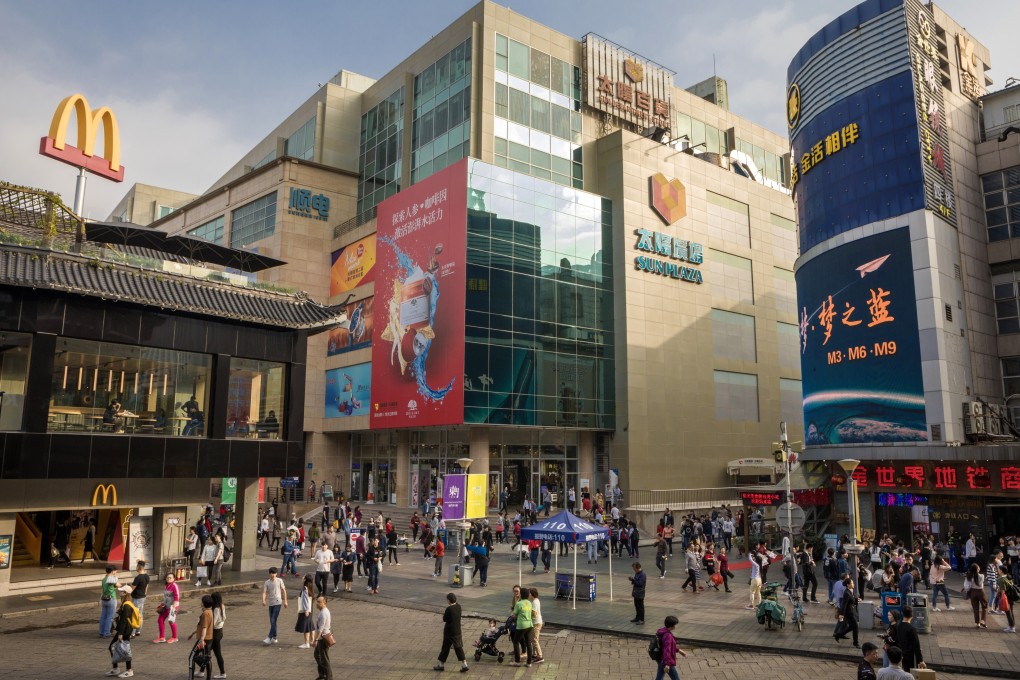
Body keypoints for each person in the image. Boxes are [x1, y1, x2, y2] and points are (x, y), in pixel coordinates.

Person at [434, 592, 470, 672]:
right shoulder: (459, 606)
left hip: (449, 632)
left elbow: (444, 619)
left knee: (445, 648)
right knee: (458, 647)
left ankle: (441, 665)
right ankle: (465, 664)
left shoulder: (449, 609)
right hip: (457, 631)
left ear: (449, 600)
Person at [108, 585, 138, 678]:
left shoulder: (127, 605)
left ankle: (129, 670)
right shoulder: (125, 603)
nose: (119, 592)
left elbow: (124, 620)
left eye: (121, 591)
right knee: (118, 648)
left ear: (125, 593)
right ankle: (116, 668)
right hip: (125, 629)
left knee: (124, 650)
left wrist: (120, 633)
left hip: (125, 630)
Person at [889, 605, 925, 671]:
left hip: (900, 655)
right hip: (909, 657)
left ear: (902, 614)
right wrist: (920, 660)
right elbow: (916, 646)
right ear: (912, 615)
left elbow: (895, 640)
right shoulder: (911, 629)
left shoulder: (898, 626)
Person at [187, 594, 215, 680]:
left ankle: (191, 677)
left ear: (203, 603)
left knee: (191, 657)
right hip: (209, 639)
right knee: (207, 658)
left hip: (204, 640)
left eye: (201, 602)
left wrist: (202, 640)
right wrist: (193, 633)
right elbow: (202, 626)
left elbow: (204, 628)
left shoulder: (205, 614)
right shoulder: (210, 611)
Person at [654, 615, 687, 680]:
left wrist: (679, 650)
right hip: (666, 660)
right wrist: (667, 664)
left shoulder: (662, 631)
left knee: (659, 678)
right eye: (676, 624)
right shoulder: (668, 636)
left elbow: (668, 646)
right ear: (672, 626)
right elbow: (667, 650)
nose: (676, 626)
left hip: (661, 658)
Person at [261, 567, 288, 645]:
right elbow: (264, 592)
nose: (272, 575)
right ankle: (274, 637)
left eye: (274, 573)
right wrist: (263, 600)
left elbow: (283, 591)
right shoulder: (267, 582)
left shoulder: (279, 580)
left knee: (273, 619)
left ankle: (269, 637)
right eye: (271, 573)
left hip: (278, 602)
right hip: (271, 603)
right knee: (272, 621)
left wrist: (285, 601)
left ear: (276, 574)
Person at [152, 573, 180, 644]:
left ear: (174, 579)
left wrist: (173, 607)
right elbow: (165, 597)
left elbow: (177, 597)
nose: (169, 579)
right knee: (160, 620)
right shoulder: (166, 586)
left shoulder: (174, 586)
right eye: (167, 577)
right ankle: (162, 637)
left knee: (171, 621)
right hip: (166, 606)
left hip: (173, 607)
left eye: (170, 578)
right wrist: (162, 604)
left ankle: (174, 637)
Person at [511, 586, 535, 667]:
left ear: (521, 594)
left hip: (521, 625)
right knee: (528, 643)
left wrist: (513, 615)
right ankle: (529, 662)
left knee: (515, 641)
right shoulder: (529, 603)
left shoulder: (518, 604)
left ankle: (517, 661)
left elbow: (514, 615)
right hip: (529, 625)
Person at [834, 575, 859, 647]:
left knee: (851, 627)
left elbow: (852, 601)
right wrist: (841, 615)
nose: (853, 584)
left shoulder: (850, 591)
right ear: (848, 585)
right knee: (855, 627)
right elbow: (844, 604)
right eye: (852, 583)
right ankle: (855, 643)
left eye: (853, 583)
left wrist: (856, 600)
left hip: (852, 611)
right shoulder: (846, 593)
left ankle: (838, 635)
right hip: (849, 613)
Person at [313, 597, 333, 680]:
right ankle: (322, 674)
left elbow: (321, 628)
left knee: (324, 658)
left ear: (324, 603)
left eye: (319, 602)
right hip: (322, 637)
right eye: (317, 602)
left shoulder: (324, 613)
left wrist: (316, 640)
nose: (317, 603)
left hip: (323, 638)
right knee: (317, 655)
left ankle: (328, 677)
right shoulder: (322, 611)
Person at [129, 560, 149, 637]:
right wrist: (145, 593)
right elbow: (147, 586)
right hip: (143, 596)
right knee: (140, 614)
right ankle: (138, 630)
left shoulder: (138, 577)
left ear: (139, 567)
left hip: (137, 597)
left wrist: (125, 591)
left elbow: (132, 588)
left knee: (135, 614)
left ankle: (133, 632)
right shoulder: (146, 576)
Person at [965, 563, 988, 628]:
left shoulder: (969, 576)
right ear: (977, 569)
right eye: (978, 567)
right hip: (981, 592)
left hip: (973, 592)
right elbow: (981, 583)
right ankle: (983, 621)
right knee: (984, 606)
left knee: (975, 608)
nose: (979, 568)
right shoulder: (982, 576)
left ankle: (977, 623)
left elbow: (967, 586)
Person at [209, 592, 226, 679]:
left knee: (216, 653)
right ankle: (201, 670)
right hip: (220, 631)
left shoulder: (216, 609)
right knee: (208, 651)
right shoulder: (222, 606)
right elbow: (224, 618)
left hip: (215, 632)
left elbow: (213, 623)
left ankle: (222, 673)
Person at [100, 565, 119, 638]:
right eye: (115, 571)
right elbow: (118, 585)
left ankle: (101, 632)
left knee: (103, 617)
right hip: (111, 599)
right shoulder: (112, 579)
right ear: (112, 571)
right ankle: (106, 633)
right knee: (109, 617)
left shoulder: (104, 579)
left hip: (104, 599)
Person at [296, 575, 315, 648]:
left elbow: (305, 600)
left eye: (304, 577)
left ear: (305, 580)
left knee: (306, 626)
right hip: (310, 608)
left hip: (306, 609)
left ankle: (306, 643)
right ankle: (312, 640)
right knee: (310, 624)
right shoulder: (310, 587)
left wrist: (306, 610)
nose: (302, 578)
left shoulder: (305, 588)